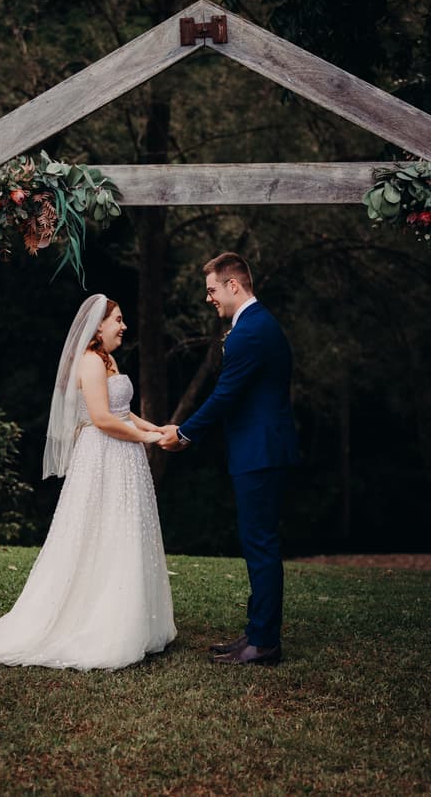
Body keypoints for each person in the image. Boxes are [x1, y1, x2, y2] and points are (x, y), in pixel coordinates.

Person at [0, 294, 176, 669]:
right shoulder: (91, 362)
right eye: (119, 320)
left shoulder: (109, 359)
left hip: (125, 454)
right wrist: (146, 439)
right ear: (99, 326)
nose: (124, 326)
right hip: (104, 454)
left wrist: (152, 427)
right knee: (98, 531)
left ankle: (133, 620)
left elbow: (123, 412)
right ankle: (100, 623)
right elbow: (102, 419)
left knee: (123, 530)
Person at [159, 253, 299, 666]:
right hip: (260, 450)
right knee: (257, 543)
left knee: (260, 545)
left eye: (212, 290)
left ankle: (265, 642)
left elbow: (224, 396)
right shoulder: (256, 326)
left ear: (233, 286)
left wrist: (184, 433)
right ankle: (256, 634)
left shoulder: (249, 333)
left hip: (260, 453)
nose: (209, 299)